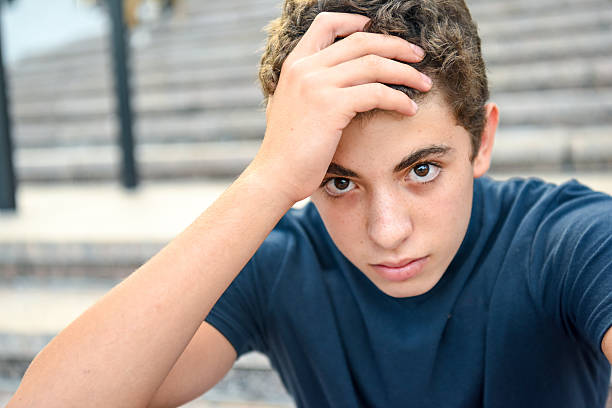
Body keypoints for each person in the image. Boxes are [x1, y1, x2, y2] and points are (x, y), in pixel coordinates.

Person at [8, 0, 612, 407]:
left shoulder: (567, 242)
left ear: (483, 141)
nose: (387, 231)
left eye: (422, 170)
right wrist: (267, 180)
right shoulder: (284, 265)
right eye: (339, 182)